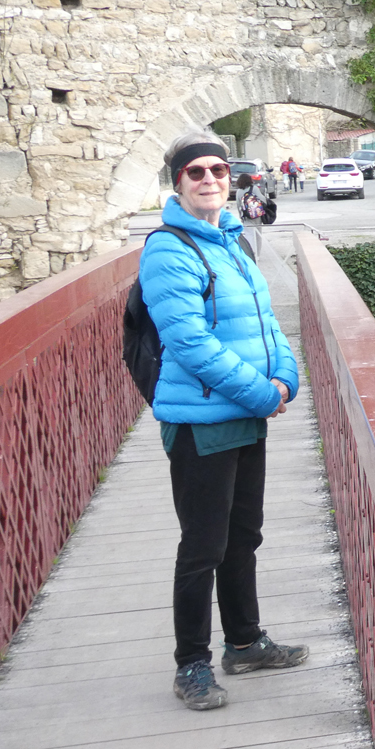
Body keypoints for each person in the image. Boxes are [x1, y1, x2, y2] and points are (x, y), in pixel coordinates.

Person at [141, 128, 308, 711]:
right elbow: (188, 342)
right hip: (202, 422)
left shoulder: (232, 240)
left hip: (245, 412)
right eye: (197, 172)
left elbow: (267, 322)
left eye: (218, 169)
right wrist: (262, 394)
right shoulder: (168, 249)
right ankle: (191, 664)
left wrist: (285, 377)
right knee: (203, 546)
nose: (210, 179)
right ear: (178, 182)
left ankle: (244, 642)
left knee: (243, 537)